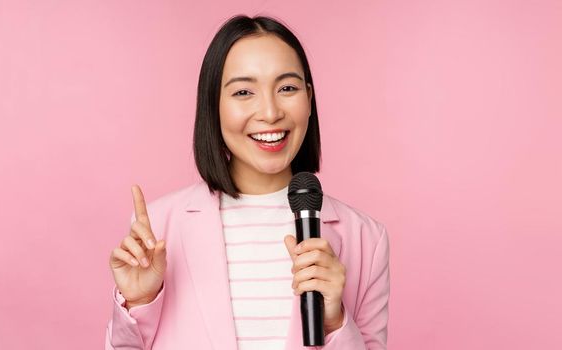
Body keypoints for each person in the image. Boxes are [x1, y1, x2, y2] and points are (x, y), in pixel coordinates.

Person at [105, 14, 389, 350]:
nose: (269, 112)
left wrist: (334, 321)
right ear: (214, 106)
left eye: (287, 88)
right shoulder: (159, 230)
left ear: (309, 99)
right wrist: (139, 303)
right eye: (243, 92)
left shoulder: (366, 239)